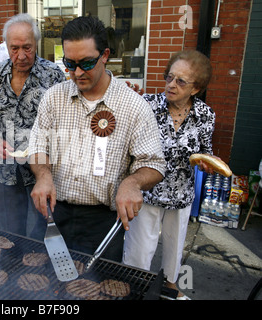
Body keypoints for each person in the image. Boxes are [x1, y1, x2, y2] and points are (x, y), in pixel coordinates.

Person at [28, 16, 166, 261]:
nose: (77, 73)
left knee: (98, 291)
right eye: (69, 63)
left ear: (105, 55)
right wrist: (43, 174)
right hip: (52, 212)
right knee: (41, 282)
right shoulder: (53, 97)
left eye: (86, 63)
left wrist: (133, 183)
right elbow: (38, 146)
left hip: (101, 221)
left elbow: (154, 164)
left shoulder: (133, 106)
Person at [122, 50, 216, 299]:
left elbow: (206, 151)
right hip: (147, 190)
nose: (171, 85)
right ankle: (133, 289)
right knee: (139, 250)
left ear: (195, 89)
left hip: (181, 192)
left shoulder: (205, 116)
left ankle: (171, 287)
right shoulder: (148, 105)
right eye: (169, 77)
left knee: (174, 248)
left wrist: (208, 163)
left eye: (181, 81)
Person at [0, 13, 66, 239]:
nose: (21, 55)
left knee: (47, 230)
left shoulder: (52, 75)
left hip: (44, 170)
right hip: (6, 169)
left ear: (36, 44)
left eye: (27, 47)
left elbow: (65, 120)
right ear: (5, 45)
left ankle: (43, 270)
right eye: (14, 48)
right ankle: (11, 269)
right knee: (9, 232)